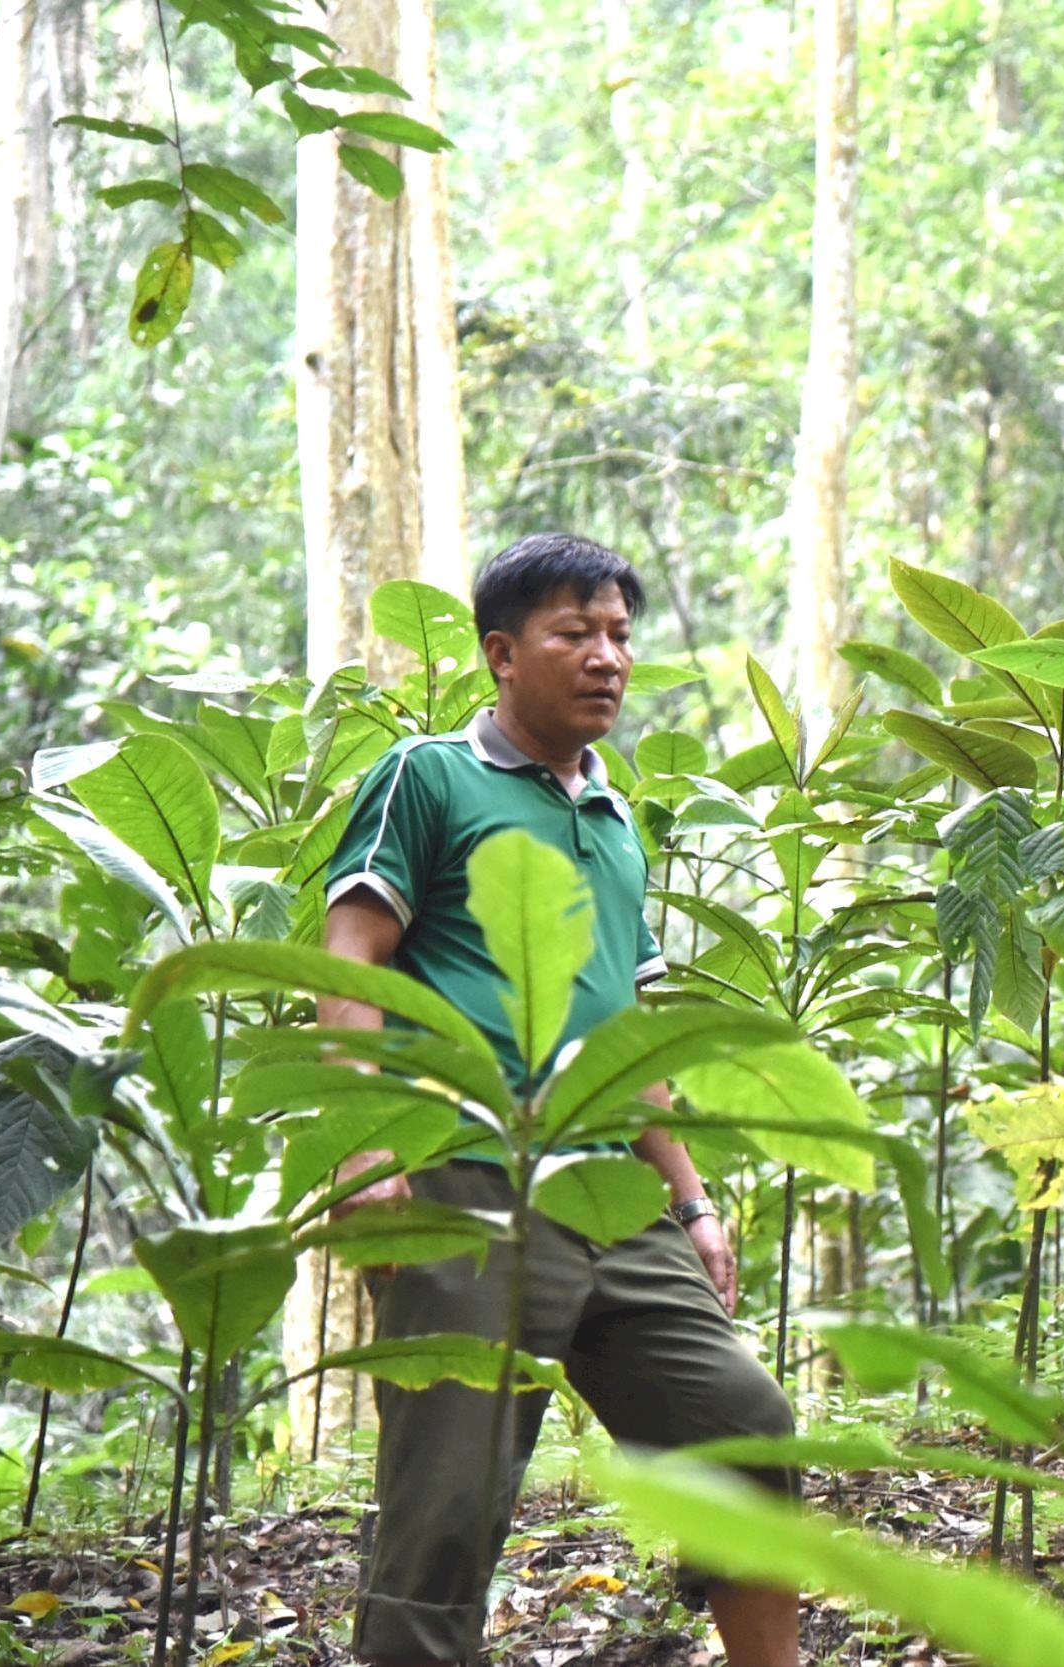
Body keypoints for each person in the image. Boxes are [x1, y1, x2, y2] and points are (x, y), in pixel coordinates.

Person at [317, 533, 800, 1667]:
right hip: (467, 1176)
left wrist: (691, 1200)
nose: (606, 658)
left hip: (613, 1193)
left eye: (621, 634)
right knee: (447, 1496)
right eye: (573, 632)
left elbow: (628, 1036)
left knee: (743, 1422)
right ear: (500, 651)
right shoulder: (429, 776)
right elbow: (353, 954)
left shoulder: (616, 821)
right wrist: (363, 1145)